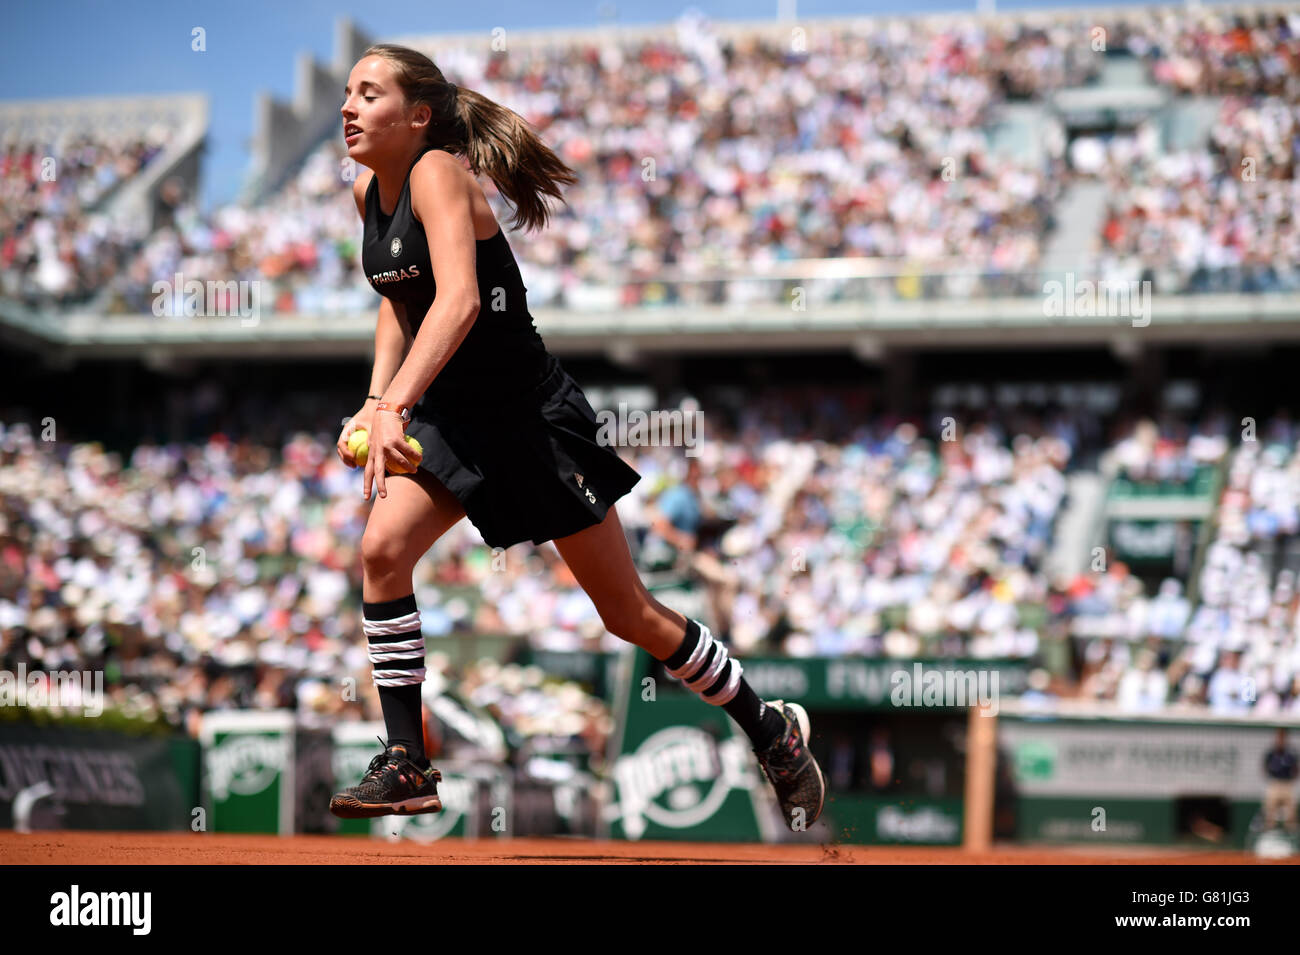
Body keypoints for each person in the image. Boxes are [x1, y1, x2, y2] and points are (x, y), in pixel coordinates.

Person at [325, 44, 824, 829]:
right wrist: (375, 397)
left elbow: (455, 302)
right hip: (453, 418)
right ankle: (407, 760)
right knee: (382, 552)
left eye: (370, 93)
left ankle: (772, 731)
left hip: (532, 420)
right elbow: (400, 298)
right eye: (347, 92)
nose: (349, 106)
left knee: (627, 614)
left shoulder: (436, 173)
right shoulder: (368, 195)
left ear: (418, 116)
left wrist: (393, 408)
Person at [1262, 728, 1298, 833]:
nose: (1281, 740)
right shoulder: (1271, 753)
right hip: (1275, 783)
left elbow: (1296, 768)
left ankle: (1291, 834)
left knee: (1291, 809)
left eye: (1283, 738)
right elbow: (1265, 767)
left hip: (1287, 784)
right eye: (1279, 738)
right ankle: (1269, 830)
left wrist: (1292, 778)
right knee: (1269, 806)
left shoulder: (1291, 754)